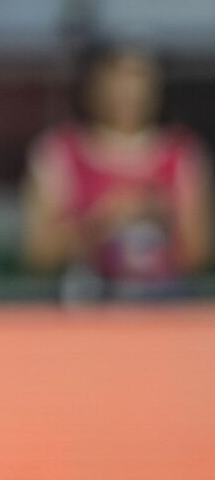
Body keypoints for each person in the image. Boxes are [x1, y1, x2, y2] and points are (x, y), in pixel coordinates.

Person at [24, 47, 209, 303]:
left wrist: (160, 215)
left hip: (165, 309)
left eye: (139, 79)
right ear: (93, 85)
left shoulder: (182, 153)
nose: (129, 93)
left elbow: (199, 252)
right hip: (88, 309)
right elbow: (41, 254)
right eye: (117, 79)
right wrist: (103, 219)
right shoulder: (58, 151)